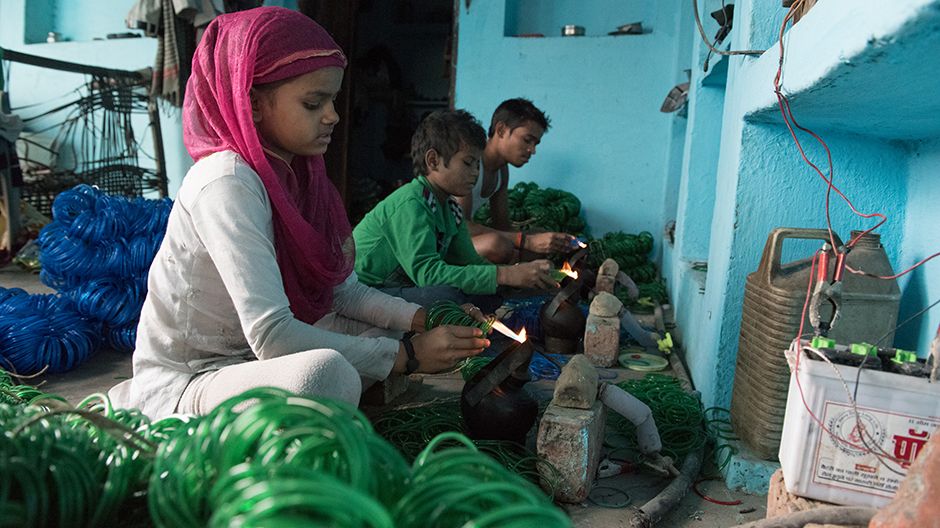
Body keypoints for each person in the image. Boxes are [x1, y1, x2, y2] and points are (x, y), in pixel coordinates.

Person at [116, 7, 488, 420]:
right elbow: (272, 335)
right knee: (327, 374)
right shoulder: (227, 182)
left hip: (250, 365)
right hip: (193, 379)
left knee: (381, 333)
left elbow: (343, 292)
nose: (333, 116)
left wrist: (427, 319)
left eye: (332, 100)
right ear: (253, 103)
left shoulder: (296, 174)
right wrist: (407, 356)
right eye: (314, 103)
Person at [353, 109, 557, 311]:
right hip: (362, 292)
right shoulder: (411, 202)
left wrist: (515, 276)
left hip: (397, 289)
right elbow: (429, 275)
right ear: (433, 161)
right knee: (446, 296)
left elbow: (469, 261)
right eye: (468, 163)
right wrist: (504, 275)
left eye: (478, 165)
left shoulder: (450, 210)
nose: (475, 173)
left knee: (487, 294)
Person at [455, 98, 576, 264]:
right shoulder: (471, 163)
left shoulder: (502, 171)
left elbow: (502, 227)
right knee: (498, 245)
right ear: (501, 130)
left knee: (538, 236)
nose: (532, 150)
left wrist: (540, 241)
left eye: (536, 144)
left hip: (464, 242)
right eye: (527, 140)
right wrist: (525, 241)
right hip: (445, 245)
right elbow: (461, 228)